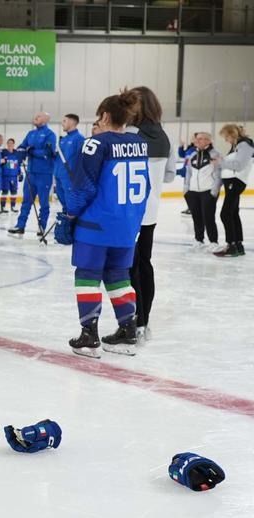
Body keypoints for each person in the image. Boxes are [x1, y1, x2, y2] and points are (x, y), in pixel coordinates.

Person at [63, 91, 149, 358]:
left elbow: (83, 187)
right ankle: (128, 331)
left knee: (87, 276)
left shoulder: (95, 144)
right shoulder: (139, 143)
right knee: (119, 276)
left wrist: (69, 214)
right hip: (127, 227)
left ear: (105, 116)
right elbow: (146, 187)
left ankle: (89, 335)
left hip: (96, 226)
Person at [126, 86, 176, 341]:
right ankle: (144, 322)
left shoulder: (130, 134)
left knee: (130, 268)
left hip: (130, 211)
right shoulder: (166, 137)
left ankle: (137, 320)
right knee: (144, 264)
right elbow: (170, 176)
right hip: (151, 211)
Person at [9, 111, 58, 237]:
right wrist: (21, 153)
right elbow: (22, 147)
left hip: (44, 173)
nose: (35, 117)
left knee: (43, 202)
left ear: (45, 120)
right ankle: (20, 225)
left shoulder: (50, 134)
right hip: (30, 173)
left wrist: (32, 151)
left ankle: (42, 227)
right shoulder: (30, 134)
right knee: (26, 201)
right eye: (36, 115)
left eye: (39, 116)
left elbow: (48, 153)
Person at [215, 123, 253, 257]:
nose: (226, 140)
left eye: (226, 137)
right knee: (233, 213)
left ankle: (231, 245)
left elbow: (239, 165)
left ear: (231, 134)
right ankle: (238, 245)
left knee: (225, 214)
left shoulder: (245, 145)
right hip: (232, 181)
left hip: (236, 181)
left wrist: (220, 162)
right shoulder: (237, 146)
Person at [184, 131, 222, 251]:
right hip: (192, 192)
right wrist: (186, 190)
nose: (197, 140)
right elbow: (188, 173)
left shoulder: (215, 155)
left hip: (208, 191)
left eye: (200, 139)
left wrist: (214, 191)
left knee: (208, 218)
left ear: (208, 141)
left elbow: (218, 174)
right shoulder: (192, 155)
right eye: (197, 138)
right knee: (196, 217)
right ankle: (199, 240)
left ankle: (213, 241)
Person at [54, 114, 85, 209]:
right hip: (59, 175)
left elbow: (82, 159)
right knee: (62, 200)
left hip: (70, 177)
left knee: (71, 202)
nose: (62, 123)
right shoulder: (63, 140)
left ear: (72, 122)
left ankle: (72, 217)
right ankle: (66, 216)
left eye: (64, 121)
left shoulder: (79, 138)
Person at [1, 137, 23, 212]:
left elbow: (18, 164)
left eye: (11, 143)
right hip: (5, 176)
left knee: (14, 191)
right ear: (7, 144)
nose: (10, 144)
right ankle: (3, 207)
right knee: (5, 191)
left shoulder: (17, 153)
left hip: (14, 176)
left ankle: (13, 206)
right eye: (9, 143)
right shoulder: (3, 152)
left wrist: (20, 173)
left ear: (14, 144)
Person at [178, 137, 197, 216]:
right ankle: (190, 207)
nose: (192, 139)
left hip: (192, 175)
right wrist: (181, 146)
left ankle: (192, 208)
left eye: (194, 138)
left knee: (189, 193)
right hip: (187, 174)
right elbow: (182, 155)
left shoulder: (197, 151)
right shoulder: (190, 148)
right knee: (186, 192)